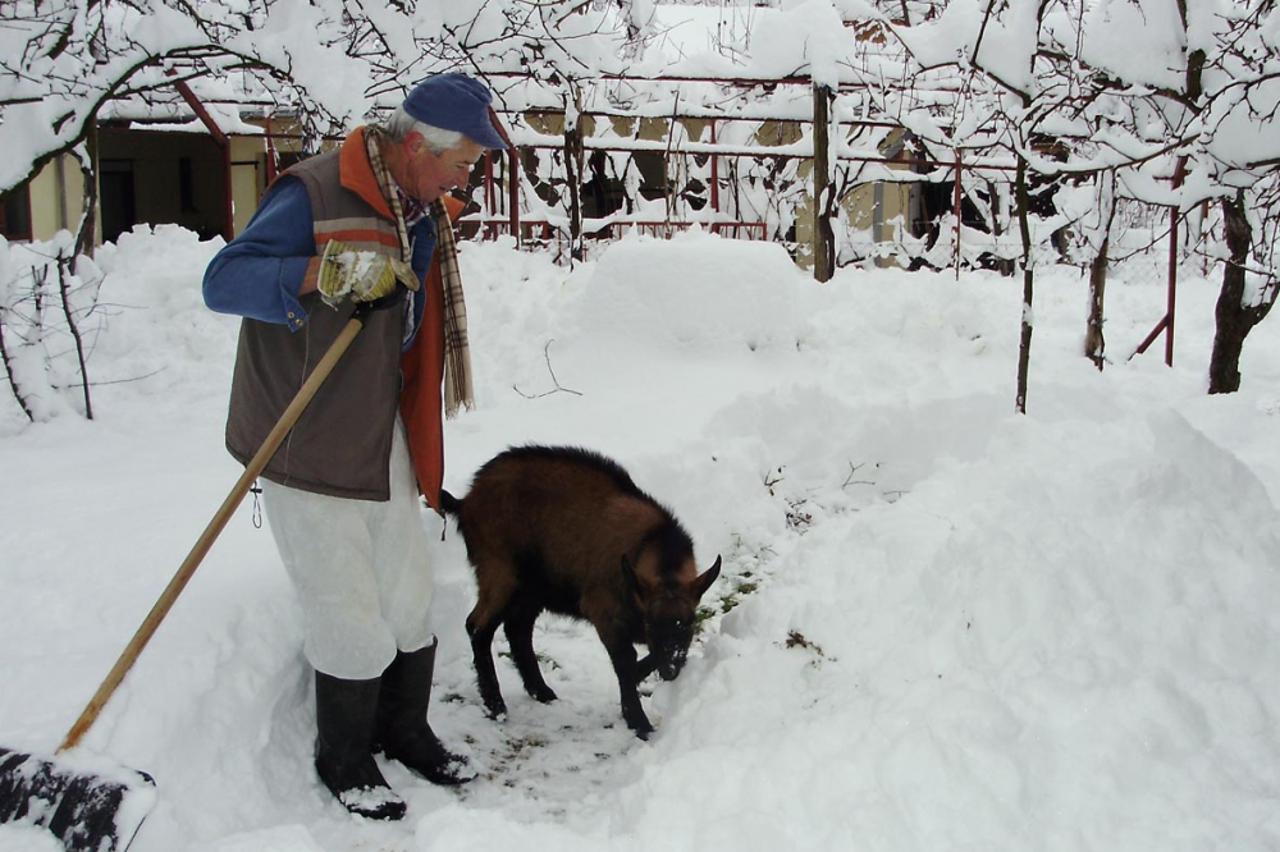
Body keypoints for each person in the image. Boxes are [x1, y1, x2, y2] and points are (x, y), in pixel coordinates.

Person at [202, 73, 506, 821]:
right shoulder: (310, 193)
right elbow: (222, 281)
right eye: (461, 163)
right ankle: (344, 757)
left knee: (408, 597)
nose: (466, 179)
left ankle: (404, 730)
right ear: (413, 145)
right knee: (347, 612)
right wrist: (320, 272)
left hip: (377, 430)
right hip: (307, 441)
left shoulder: (418, 210)